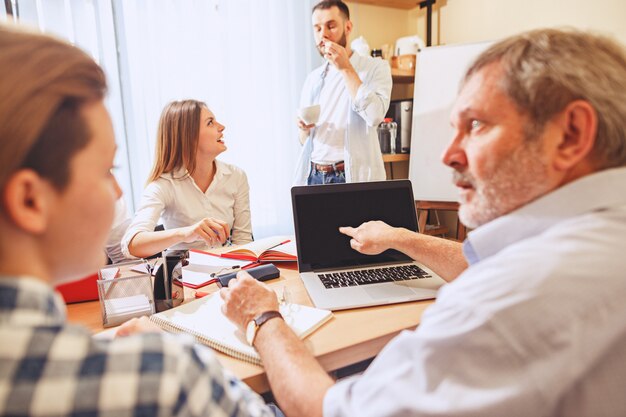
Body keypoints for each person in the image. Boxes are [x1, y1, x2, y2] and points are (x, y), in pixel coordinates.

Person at [220, 28, 626, 416]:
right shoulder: (596, 240)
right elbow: (480, 264)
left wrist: (263, 319)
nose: (448, 154)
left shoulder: (510, 299)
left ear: (572, 134)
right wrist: (401, 237)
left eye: (477, 125)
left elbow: (329, 410)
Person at [0, 25, 274, 416]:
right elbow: (132, 242)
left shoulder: (237, 176)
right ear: (30, 200)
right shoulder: (164, 376)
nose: (116, 191)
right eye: (105, 169)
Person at [122, 99, 253, 259]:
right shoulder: (163, 185)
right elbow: (132, 245)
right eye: (210, 123)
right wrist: (186, 233)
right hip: (184, 277)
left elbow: (244, 242)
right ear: (188, 137)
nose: (221, 127)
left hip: (228, 272)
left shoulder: (236, 176)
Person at [293, 0, 392, 185]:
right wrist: (303, 129)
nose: (324, 34)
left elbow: (375, 116)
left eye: (331, 26)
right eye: (317, 28)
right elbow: (302, 140)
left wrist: (346, 68)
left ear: (348, 27)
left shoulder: (375, 67)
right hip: (314, 175)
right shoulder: (313, 78)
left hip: (349, 176)